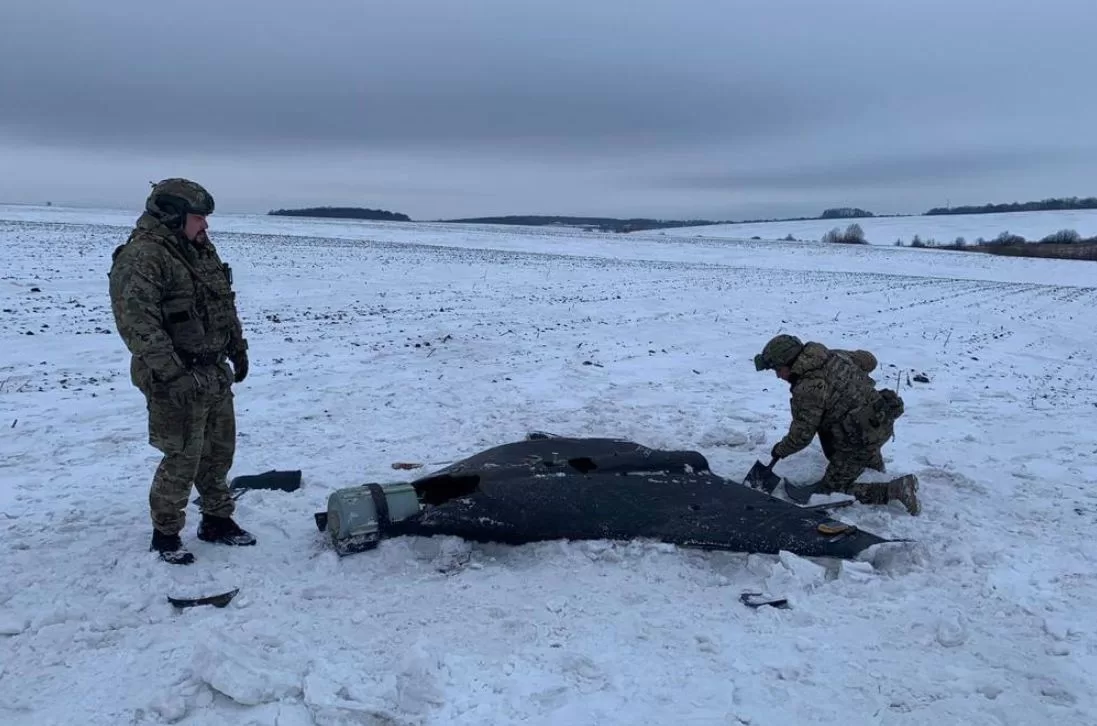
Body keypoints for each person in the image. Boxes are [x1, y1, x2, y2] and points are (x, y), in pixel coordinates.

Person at [108, 178, 256, 564]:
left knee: (218, 451)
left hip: (212, 371)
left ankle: (217, 520)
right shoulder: (144, 257)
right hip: (175, 378)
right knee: (182, 456)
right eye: (197, 218)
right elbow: (138, 325)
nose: (205, 226)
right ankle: (166, 532)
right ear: (172, 216)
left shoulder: (200, 251)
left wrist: (237, 349)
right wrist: (174, 375)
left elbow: (224, 303)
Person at [754, 334, 920, 515]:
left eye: (778, 369)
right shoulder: (835, 355)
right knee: (846, 437)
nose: (778, 375)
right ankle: (873, 469)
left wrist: (780, 450)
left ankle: (895, 490)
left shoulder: (808, 387)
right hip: (880, 422)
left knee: (832, 493)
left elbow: (802, 435)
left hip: (859, 439)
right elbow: (869, 360)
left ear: (791, 362)